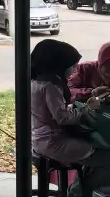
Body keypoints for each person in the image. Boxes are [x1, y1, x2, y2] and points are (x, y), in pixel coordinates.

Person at [31, 39, 110, 197]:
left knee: (98, 153)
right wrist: (88, 107)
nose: (75, 69)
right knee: (105, 157)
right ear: (58, 66)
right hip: (54, 141)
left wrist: (90, 96)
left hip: (41, 138)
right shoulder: (51, 87)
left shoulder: (36, 83)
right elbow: (63, 118)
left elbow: (53, 111)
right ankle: (78, 192)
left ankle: (81, 189)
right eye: (72, 66)